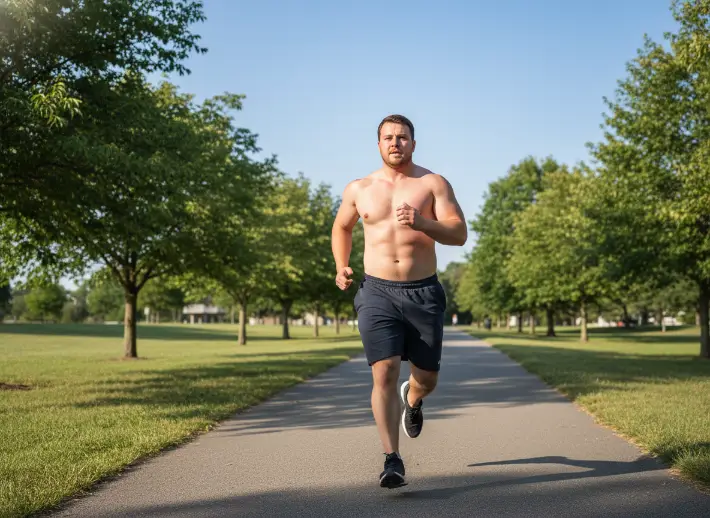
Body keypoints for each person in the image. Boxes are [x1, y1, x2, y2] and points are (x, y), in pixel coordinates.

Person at [331, 114, 467, 489]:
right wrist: (341, 265)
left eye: (403, 137)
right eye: (389, 137)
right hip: (376, 291)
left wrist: (423, 223)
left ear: (413, 143)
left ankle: (415, 399)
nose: (396, 143)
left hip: (422, 291)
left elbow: (459, 234)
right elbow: (341, 226)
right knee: (384, 370)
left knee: (427, 378)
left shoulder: (432, 184)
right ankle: (392, 459)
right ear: (378, 144)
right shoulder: (359, 188)